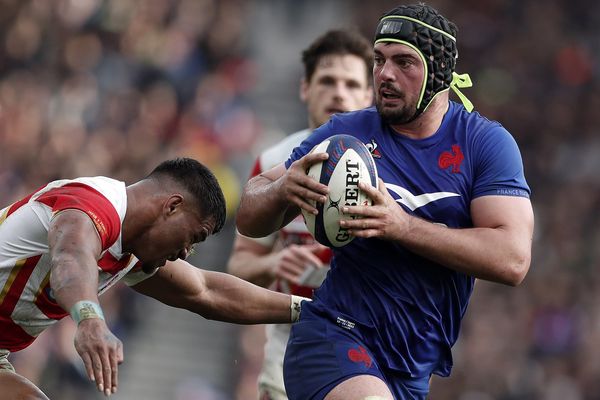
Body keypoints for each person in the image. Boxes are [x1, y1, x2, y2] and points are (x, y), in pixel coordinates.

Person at [235, 3, 535, 400]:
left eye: (404, 62)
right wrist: (281, 189)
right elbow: (248, 218)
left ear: (438, 74)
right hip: (334, 335)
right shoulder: (346, 132)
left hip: (412, 366)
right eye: (379, 60)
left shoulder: (485, 145)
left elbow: (513, 260)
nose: (385, 75)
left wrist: (402, 226)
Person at [0, 157, 308, 400]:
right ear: (172, 206)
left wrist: (307, 310)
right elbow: (70, 256)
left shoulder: (130, 250)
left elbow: (207, 292)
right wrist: (90, 319)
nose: (186, 252)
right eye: (194, 237)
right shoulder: (94, 204)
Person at [227, 29, 374, 400]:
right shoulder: (274, 163)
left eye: (351, 83)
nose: (339, 92)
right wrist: (275, 264)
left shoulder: (388, 166)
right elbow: (239, 267)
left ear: (368, 95)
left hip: (368, 349)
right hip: (290, 347)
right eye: (327, 81)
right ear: (305, 88)